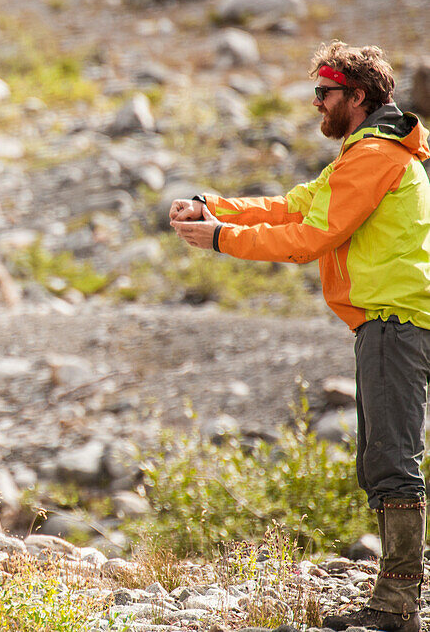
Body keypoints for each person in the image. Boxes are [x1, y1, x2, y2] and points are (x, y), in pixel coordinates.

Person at [170, 40, 430, 632]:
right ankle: (397, 598)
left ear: (356, 96)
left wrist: (218, 239)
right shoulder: (364, 154)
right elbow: (291, 207)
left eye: (324, 92)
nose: (316, 103)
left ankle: (396, 608)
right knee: (383, 457)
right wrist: (213, 207)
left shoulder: (373, 158)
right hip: (391, 320)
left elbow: (309, 237)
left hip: (395, 321)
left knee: (392, 459)